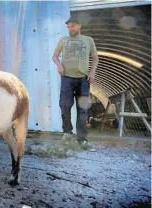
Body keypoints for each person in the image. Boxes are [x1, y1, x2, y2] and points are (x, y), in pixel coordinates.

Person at [52, 17, 99, 151]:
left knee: (82, 110)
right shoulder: (64, 40)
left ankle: (82, 140)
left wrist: (92, 72)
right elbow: (54, 56)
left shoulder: (88, 40)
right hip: (67, 78)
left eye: (72, 26)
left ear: (79, 25)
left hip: (84, 80)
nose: (70, 29)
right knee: (64, 106)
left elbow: (95, 58)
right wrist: (59, 65)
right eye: (68, 27)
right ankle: (67, 134)